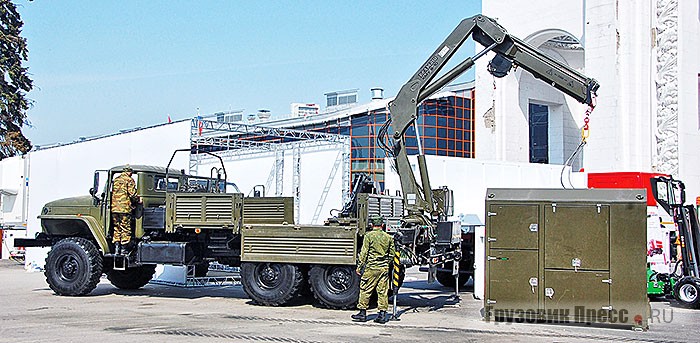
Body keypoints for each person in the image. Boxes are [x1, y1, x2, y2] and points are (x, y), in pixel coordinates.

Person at [351, 215, 395, 324]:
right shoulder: (388, 237)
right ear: (382, 225)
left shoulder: (369, 236)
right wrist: (385, 263)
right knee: (382, 291)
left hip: (371, 267)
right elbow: (392, 254)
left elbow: (364, 253)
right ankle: (382, 314)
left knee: (365, 289)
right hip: (383, 268)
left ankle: (362, 313)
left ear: (371, 225)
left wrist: (360, 266)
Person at [111, 165, 140, 255]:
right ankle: (124, 249)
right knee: (125, 228)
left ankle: (116, 248)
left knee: (117, 227)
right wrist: (138, 200)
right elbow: (132, 194)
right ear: (129, 172)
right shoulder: (129, 180)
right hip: (124, 209)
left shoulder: (116, 179)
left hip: (114, 208)